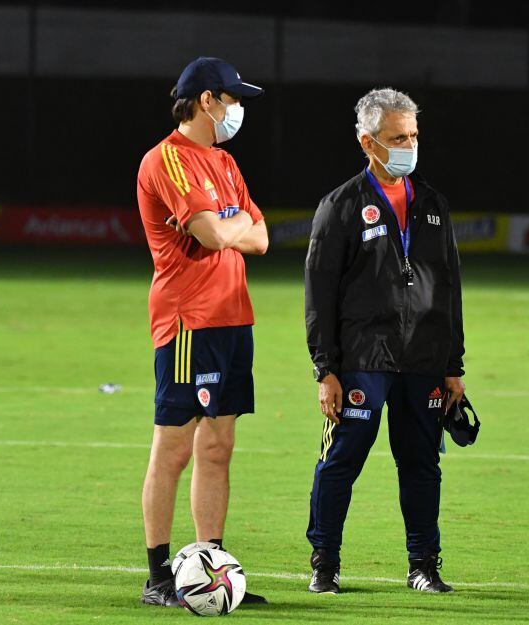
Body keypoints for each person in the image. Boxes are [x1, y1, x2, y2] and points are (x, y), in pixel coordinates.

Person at [303, 87, 466, 595]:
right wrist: (325, 368)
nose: (409, 146)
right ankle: (325, 563)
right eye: (398, 137)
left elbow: (450, 289)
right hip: (361, 361)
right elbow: (318, 293)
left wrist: (453, 364)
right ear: (368, 142)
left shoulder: (433, 204)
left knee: (422, 464)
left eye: (414, 135)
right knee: (342, 460)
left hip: (423, 361)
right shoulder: (341, 206)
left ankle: (424, 564)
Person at [135, 56, 270, 607]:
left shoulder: (225, 162)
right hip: (190, 321)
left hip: (235, 317)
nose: (240, 108)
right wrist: (231, 226)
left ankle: (211, 569)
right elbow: (217, 235)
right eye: (234, 98)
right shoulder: (166, 160)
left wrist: (228, 226)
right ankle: (159, 576)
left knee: (218, 448)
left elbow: (258, 239)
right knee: (174, 451)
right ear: (207, 100)